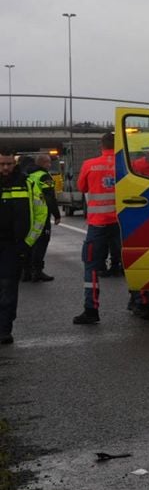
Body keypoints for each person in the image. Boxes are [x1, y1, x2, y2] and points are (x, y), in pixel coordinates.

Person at [74, 132, 149, 324]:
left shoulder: (89, 165)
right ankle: (141, 302)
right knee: (134, 262)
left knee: (91, 267)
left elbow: (81, 188)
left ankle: (91, 309)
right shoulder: (128, 165)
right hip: (124, 223)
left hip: (98, 224)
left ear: (101, 146)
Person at [1, 147, 48, 345]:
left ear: (15, 163)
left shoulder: (27, 184)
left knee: (8, 289)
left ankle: (4, 329)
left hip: (14, 246)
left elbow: (40, 213)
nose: (5, 168)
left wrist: (28, 242)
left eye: (9, 164)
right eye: (2, 164)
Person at [23, 153, 61, 282]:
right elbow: (50, 197)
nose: (50, 165)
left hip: (29, 214)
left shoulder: (28, 174)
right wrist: (56, 214)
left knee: (30, 241)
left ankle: (26, 271)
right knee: (42, 243)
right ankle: (37, 271)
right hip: (41, 215)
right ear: (44, 163)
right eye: (48, 163)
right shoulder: (44, 176)